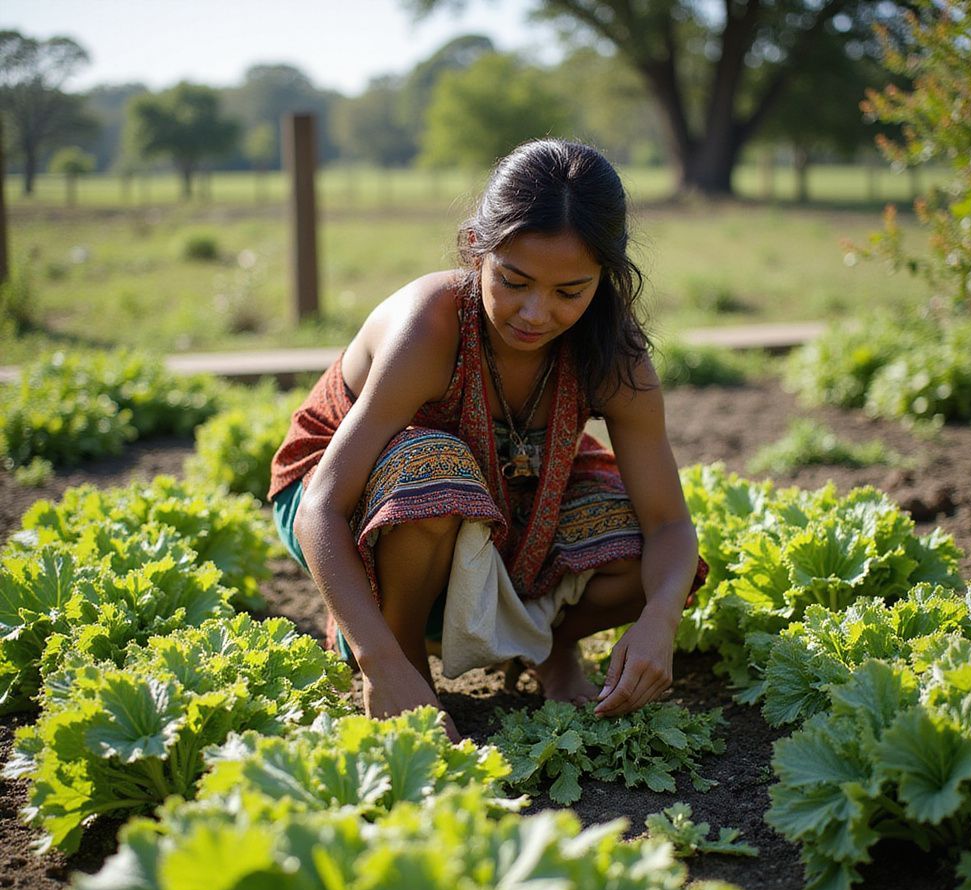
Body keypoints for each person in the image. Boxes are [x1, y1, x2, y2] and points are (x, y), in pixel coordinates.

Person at [268, 138, 706, 741]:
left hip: (512, 484)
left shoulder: (614, 354)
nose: (534, 313)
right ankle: (402, 660)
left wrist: (661, 621)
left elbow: (669, 527)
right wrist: (380, 665)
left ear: (604, 278)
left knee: (639, 556)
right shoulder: (430, 325)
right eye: (514, 280)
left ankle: (549, 648)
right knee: (431, 470)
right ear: (479, 248)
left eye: (568, 292)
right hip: (349, 489)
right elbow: (323, 503)